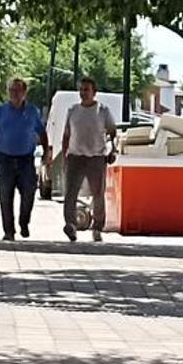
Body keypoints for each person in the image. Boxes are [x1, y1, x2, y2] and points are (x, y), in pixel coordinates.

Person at [0, 78, 50, 241]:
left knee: (29, 193)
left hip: (26, 160)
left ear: (24, 93)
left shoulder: (32, 112)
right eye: (12, 90)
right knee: (5, 197)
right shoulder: (0, 111)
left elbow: (42, 132)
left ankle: (24, 222)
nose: (14, 93)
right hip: (4, 159)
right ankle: (9, 231)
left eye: (18, 90)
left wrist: (46, 152)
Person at [62, 76, 117, 242]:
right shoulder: (73, 110)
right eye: (81, 89)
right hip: (75, 157)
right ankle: (70, 225)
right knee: (70, 193)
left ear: (94, 92)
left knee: (98, 194)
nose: (83, 93)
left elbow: (112, 132)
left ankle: (97, 227)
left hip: (96, 158)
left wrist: (112, 149)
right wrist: (65, 156)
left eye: (87, 90)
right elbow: (66, 135)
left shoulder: (103, 111)